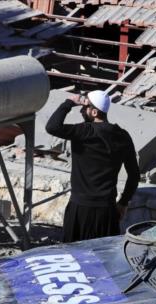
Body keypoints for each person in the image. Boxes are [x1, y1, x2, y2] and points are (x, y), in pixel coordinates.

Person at [45, 90, 139, 242]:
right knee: (103, 259)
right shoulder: (123, 136)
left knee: (73, 257)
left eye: (85, 107)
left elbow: (52, 127)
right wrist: (123, 203)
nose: (82, 110)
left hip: (80, 209)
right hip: (107, 211)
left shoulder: (83, 132)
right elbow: (134, 175)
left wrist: (69, 103)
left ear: (94, 112)